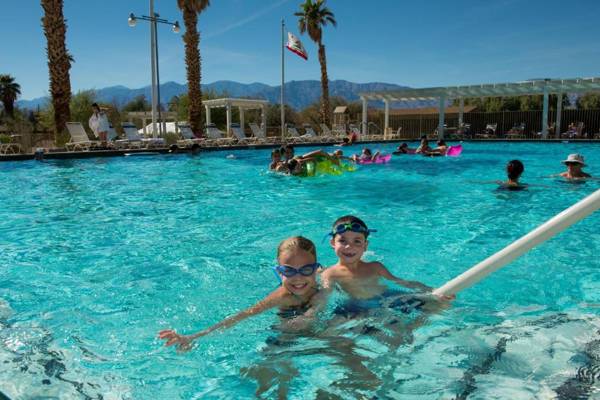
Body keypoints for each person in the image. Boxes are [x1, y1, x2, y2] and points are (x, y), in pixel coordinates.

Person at [158, 236, 325, 352]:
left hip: (317, 332)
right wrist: (193, 336)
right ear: (279, 272)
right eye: (288, 271)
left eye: (306, 270)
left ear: (316, 269)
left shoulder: (325, 282)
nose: (298, 278)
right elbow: (242, 316)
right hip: (285, 337)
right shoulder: (282, 296)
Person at [319, 216, 451, 314]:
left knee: (437, 305)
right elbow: (324, 295)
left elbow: (401, 282)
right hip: (359, 306)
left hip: (389, 297)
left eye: (357, 241)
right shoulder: (330, 273)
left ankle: (414, 329)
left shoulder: (375, 267)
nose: (349, 246)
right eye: (342, 241)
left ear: (365, 246)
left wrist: (431, 291)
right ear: (332, 243)